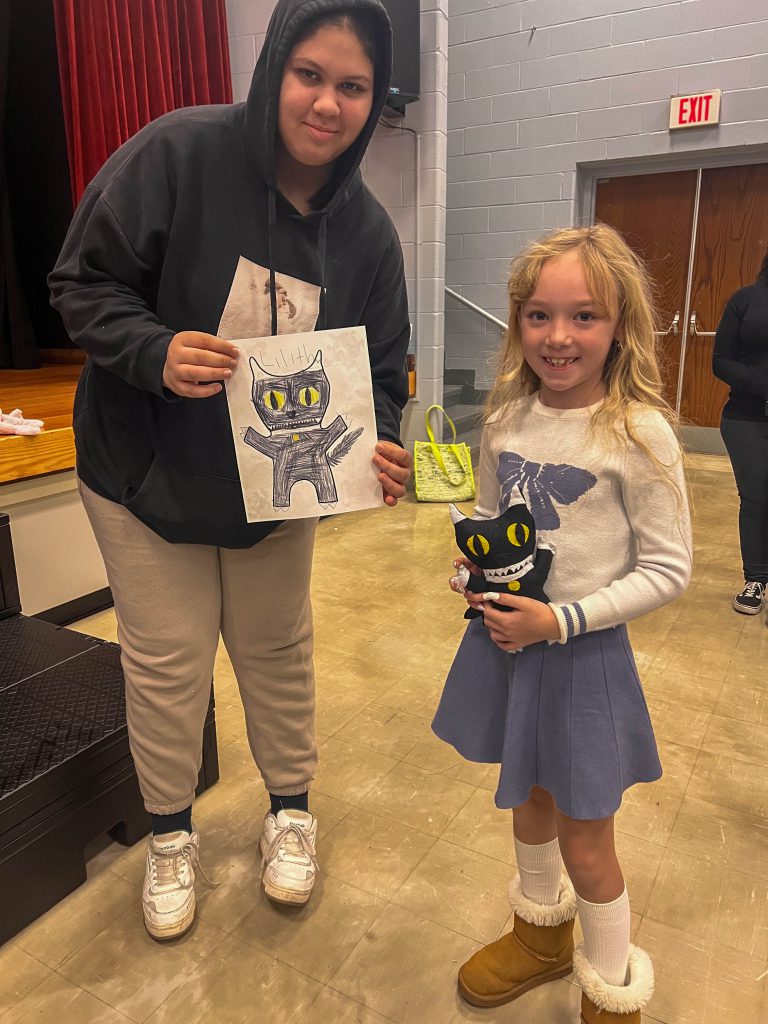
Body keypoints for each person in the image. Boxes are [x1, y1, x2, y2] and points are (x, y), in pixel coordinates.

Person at [48, 0, 412, 940]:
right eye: (310, 74)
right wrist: (154, 351)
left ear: (375, 102)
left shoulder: (369, 234)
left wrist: (376, 450)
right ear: (273, 69)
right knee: (167, 664)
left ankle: (290, 812)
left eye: (353, 86)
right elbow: (80, 283)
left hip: (275, 491)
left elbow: (376, 376)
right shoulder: (178, 153)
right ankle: (171, 833)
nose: (328, 103)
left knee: (277, 651)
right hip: (142, 471)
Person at [432, 225, 692, 1023]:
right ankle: (540, 934)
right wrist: (472, 579)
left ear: (620, 326)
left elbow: (668, 569)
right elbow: (486, 518)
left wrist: (563, 620)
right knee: (529, 803)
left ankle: (611, 989)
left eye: (584, 316)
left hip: (582, 661)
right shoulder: (505, 420)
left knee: (588, 837)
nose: (558, 336)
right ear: (517, 322)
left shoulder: (639, 432)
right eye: (539, 315)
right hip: (508, 648)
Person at [713, 252, 768, 618]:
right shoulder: (745, 299)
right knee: (757, 497)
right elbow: (721, 360)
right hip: (747, 417)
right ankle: (757, 578)